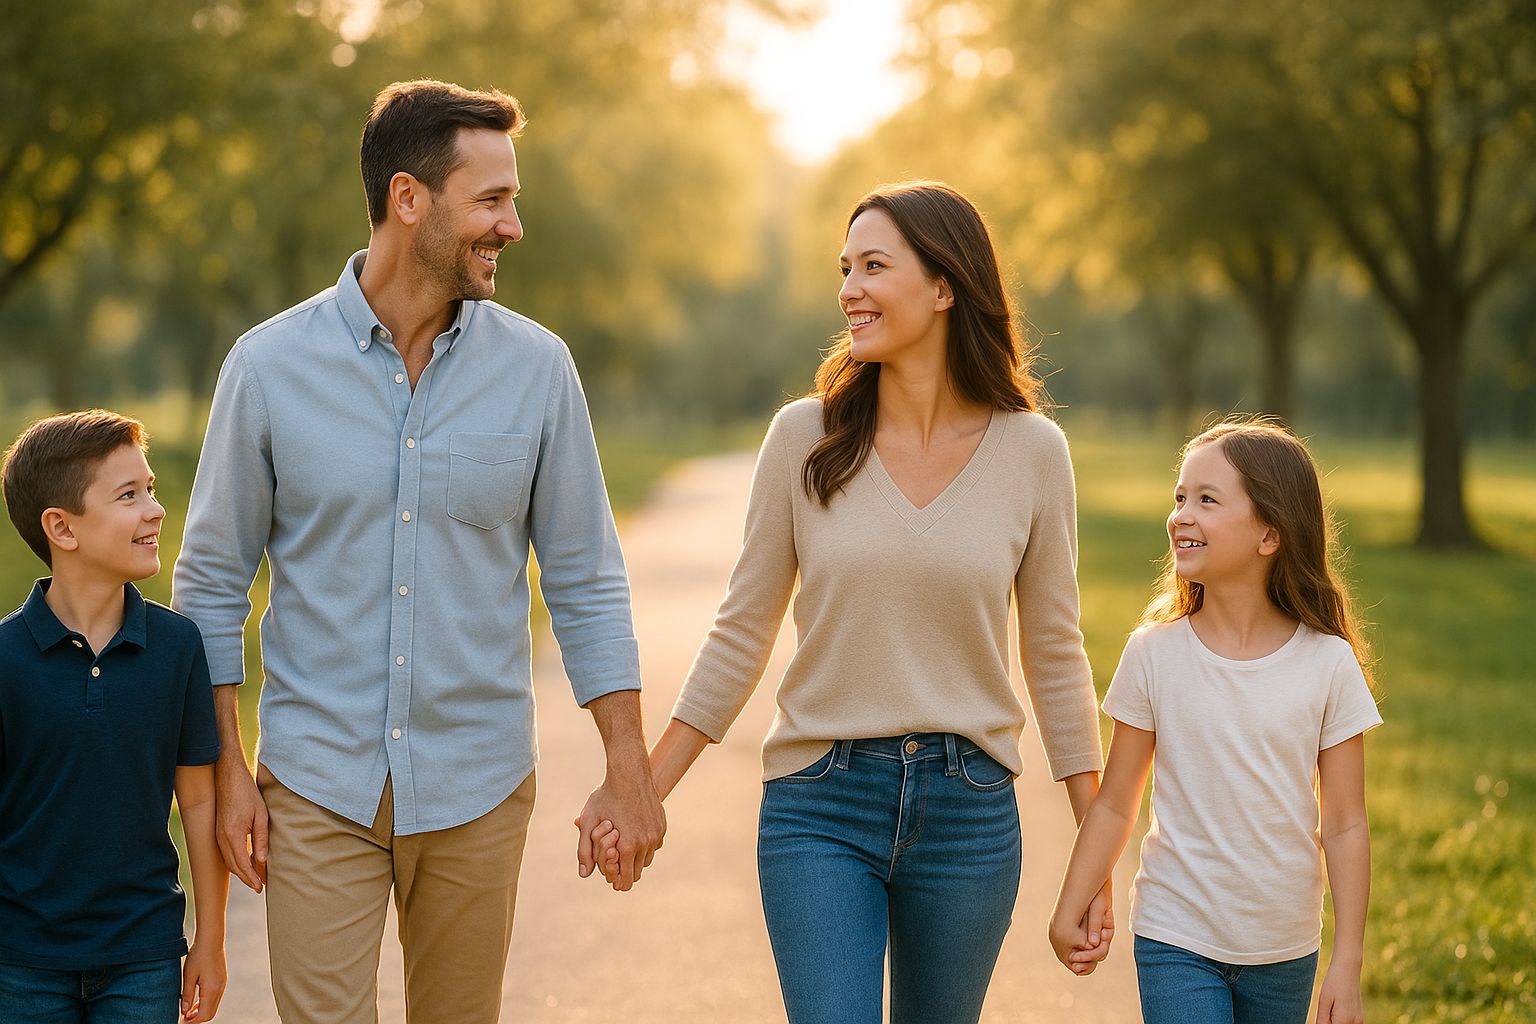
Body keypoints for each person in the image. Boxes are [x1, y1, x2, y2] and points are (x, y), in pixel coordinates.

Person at [171, 79, 664, 1024]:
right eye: (492, 200)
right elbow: (210, 584)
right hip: (318, 786)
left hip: (478, 784)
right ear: (410, 199)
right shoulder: (267, 369)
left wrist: (626, 768)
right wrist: (229, 769)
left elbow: (586, 581)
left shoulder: (538, 371)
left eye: (512, 200)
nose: (513, 226)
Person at [601, 181, 1109, 1023]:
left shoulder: (1033, 452)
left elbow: (1054, 653)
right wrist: (643, 791)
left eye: (875, 266)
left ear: (945, 286)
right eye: (845, 269)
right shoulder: (805, 438)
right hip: (820, 803)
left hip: (968, 811)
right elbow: (741, 630)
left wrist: (1093, 855)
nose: (849, 290)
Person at [1048, 420, 1381, 1024]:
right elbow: (1117, 802)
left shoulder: (1328, 663)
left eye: (1206, 499)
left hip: (1285, 949)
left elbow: (1347, 824)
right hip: (1176, 935)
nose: (1180, 515)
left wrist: (1347, 962)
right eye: (1179, 497)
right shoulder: (1154, 653)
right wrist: (1072, 898)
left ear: (1270, 535)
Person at [0, 410, 226, 1023]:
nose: (155, 509)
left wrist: (210, 938)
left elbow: (199, 802)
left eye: (150, 489)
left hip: (144, 955)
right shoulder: (5, 659)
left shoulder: (178, 647)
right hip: (21, 961)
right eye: (130, 495)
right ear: (61, 528)